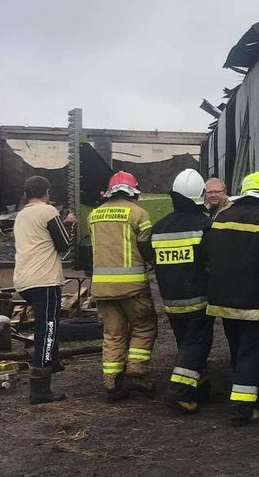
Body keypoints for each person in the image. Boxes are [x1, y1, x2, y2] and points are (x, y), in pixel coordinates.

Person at [204, 172, 259, 426]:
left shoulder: (221, 217)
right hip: (255, 301)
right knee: (252, 352)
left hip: (223, 299)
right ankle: (242, 408)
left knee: (237, 347)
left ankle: (240, 391)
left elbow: (208, 255)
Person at [146, 169, 214, 414]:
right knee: (197, 344)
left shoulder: (159, 228)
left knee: (186, 343)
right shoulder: (205, 226)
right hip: (198, 298)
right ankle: (179, 391)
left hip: (170, 299)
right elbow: (211, 261)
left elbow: (152, 258)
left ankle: (200, 386)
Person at [89, 171, 157, 401]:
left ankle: (112, 382)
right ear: (133, 191)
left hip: (102, 287)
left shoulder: (94, 215)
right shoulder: (139, 213)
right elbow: (146, 246)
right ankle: (136, 370)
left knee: (113, 333)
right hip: (132, 286)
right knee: (144, 326)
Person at [13, 175, 74, 405]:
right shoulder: (48, 211)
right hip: (44, 280)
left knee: (48, 325)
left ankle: (52, 362)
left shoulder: (21, 215)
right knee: (46, 329)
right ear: (47, 192)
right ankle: (40, 389)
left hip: (24, 280)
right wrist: (69, 222)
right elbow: (63, 243)